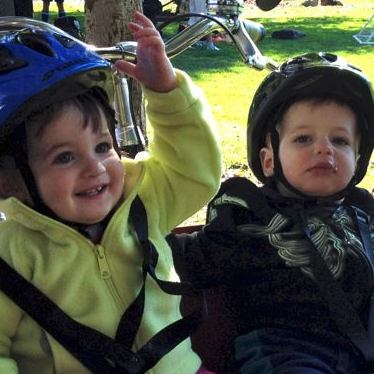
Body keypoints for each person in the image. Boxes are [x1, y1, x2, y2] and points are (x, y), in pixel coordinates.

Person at [0, 11, 221, 374]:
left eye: (103, 146)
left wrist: (166, 93)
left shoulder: (144, 199)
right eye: (65, 157)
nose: (96, 168)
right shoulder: (12, 254)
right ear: (11, 180)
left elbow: (195, 171)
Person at [168, 52, 374, 373]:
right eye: (303, 138)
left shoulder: (364, 214)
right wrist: (136, 235)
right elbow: (188, 259)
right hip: (286, 351)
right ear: (269, 161)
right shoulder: (249, 212)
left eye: (340, 140)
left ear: (358, 159)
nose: (324, 148)